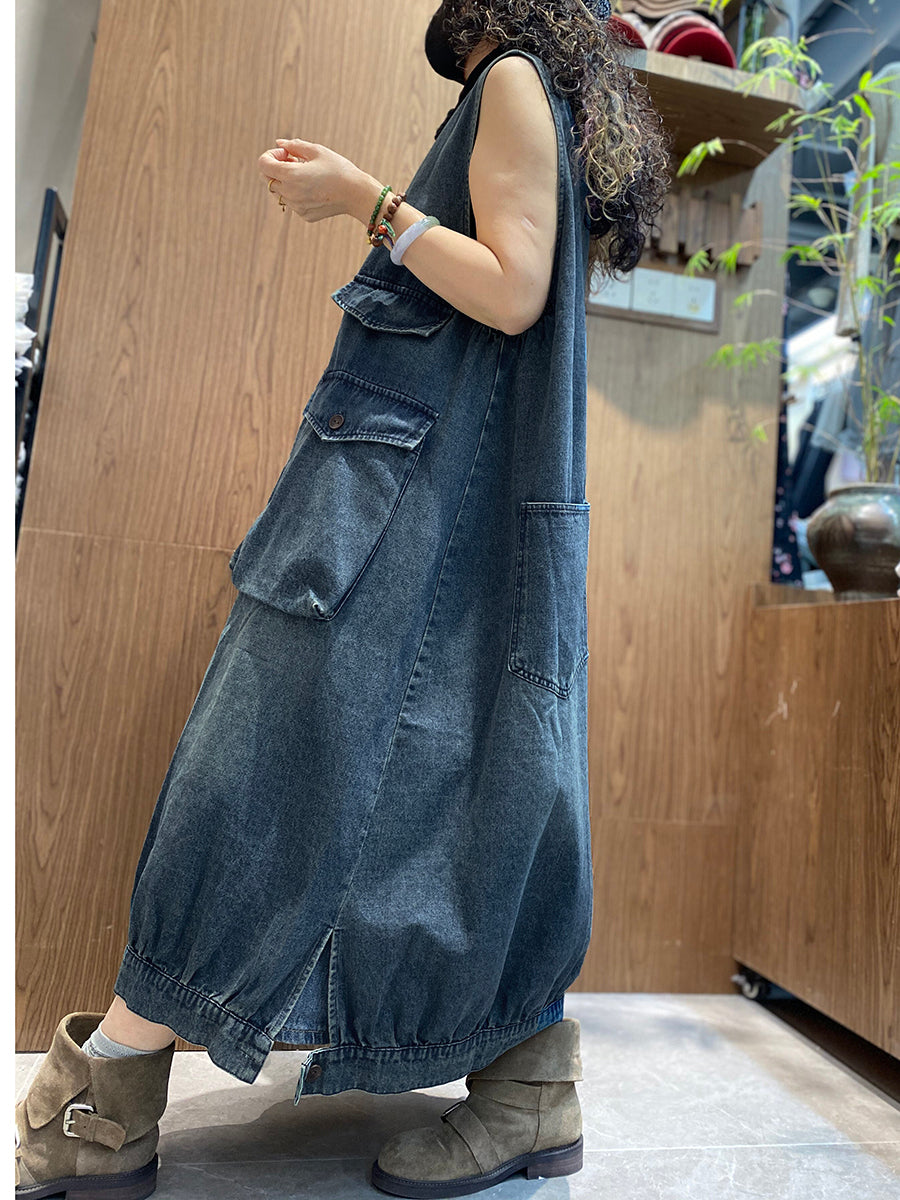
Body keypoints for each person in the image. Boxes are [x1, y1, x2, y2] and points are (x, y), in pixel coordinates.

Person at [15, 2, 670, 1196]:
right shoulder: (524, 86)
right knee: (462, 785)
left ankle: (108, 1090)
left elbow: (513, 290)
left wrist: (366, 201)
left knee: (257, 757)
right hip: (421, 502)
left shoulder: (512, 80)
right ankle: (524, 1084)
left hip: (396, 509)